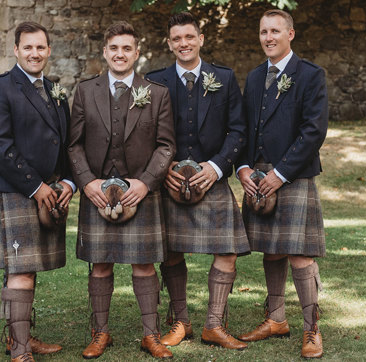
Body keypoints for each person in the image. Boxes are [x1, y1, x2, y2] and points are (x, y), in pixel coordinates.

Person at [68, 21, 176, 359]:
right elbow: (74, 146)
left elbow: (166, 146)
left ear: (137, 53)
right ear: (105, 52)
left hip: (140, 192)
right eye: (114, 48)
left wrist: (145, 183)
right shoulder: (86, 91)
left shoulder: (157, 93)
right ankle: (100, 333)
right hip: (98, 191)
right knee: (100, 265)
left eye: (127, 48)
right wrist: (87, 183)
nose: (120, 54)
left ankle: (151, 335)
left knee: (144, 265)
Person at [146, 12, 249, 350]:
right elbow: (145, 135)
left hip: (212, 180)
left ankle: (214, 325)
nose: (183, 44)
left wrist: (216, 167)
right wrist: (165, 169)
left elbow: (238, 130)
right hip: (170, 180)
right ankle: (180, 322)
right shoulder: (155, 81)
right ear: (170, 43)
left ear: (201, 39)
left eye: (189, 37)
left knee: (228, 251)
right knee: (171, 252)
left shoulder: (224, 77)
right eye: (177, 39)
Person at [0, 21, 75, 362]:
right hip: (16, 189)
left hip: (47, 190)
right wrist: (36, 187)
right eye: (28, 47)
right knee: (19, 269)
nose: (35, 53)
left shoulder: (55, 90)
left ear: (49, 51)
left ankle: (23, 337)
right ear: (16, 50)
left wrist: (67, 182)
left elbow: (64, 144)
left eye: (41, 47)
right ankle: (19, 350)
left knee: (27, 268)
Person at [235, 9, 328, 359]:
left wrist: (280, 174)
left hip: (293, 175)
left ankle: (311, 329)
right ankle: (275, 319)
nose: (268, 37)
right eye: (263, 31)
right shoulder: (256, 77)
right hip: (258, 176)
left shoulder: (310, 75)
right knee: (271, 249)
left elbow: (313, 132)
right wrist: (244, 168)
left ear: (291, 34)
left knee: (300, 254)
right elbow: (244, 129)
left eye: (275, 30)